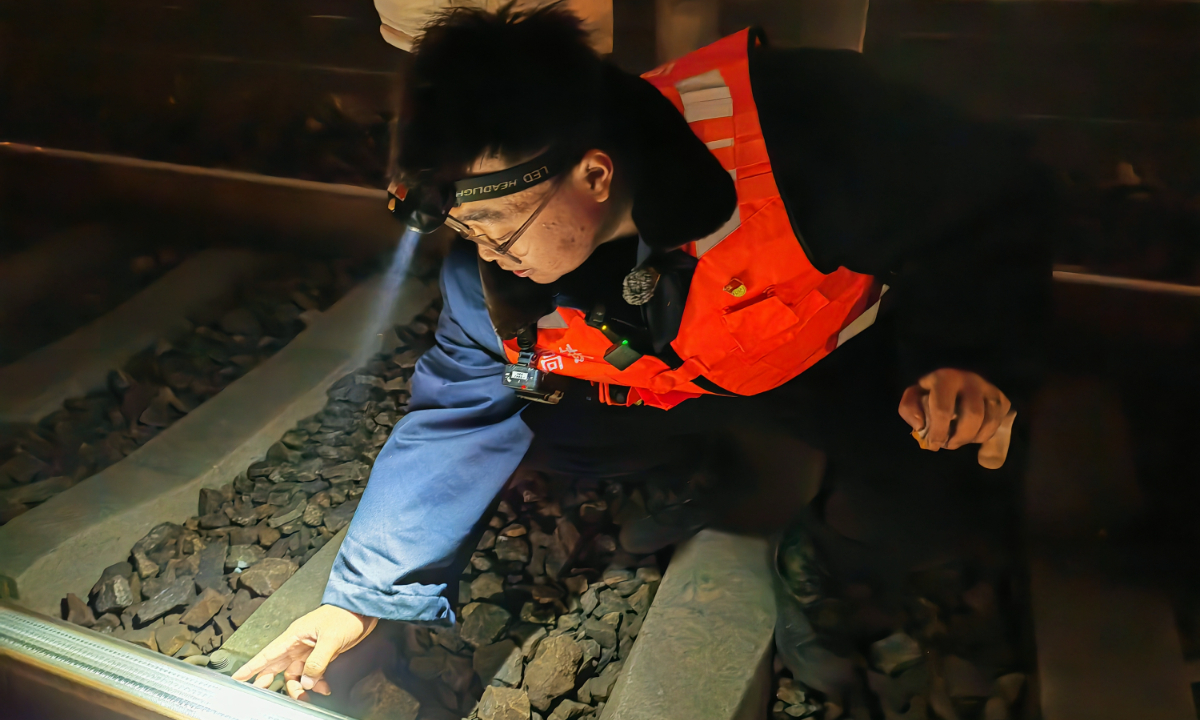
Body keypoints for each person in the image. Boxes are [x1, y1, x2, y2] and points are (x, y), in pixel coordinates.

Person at [233, 3, 1052, 701]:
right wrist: (359, 600)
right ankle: (695, 464)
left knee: (940, 462)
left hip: (831, 357)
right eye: (463, 233)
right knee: (548, 424)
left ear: (594, 175)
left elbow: (988, 203)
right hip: (676, 377)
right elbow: (455, 412)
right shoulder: (494, 272)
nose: (487, 254)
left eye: (498, 227)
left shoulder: (806, 128)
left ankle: (828, 555)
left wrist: (963, 356)